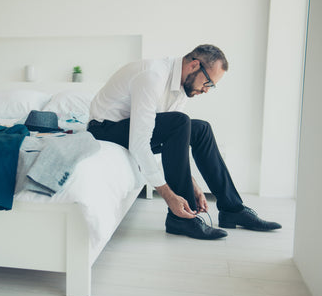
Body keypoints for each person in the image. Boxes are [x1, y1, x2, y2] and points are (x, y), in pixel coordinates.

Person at [87, 44, 281, 240]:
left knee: (200, 129)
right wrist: (169, 196)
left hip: (129, 129)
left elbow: (175, 142)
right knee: (180, 121)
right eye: (208, 83)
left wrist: (193, 183)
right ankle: (181, 219)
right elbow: (139, 142)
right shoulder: (153, 76)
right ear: (194, 65)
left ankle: (232, 208)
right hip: (104, 129)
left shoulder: (181, 88)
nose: (206, 90)